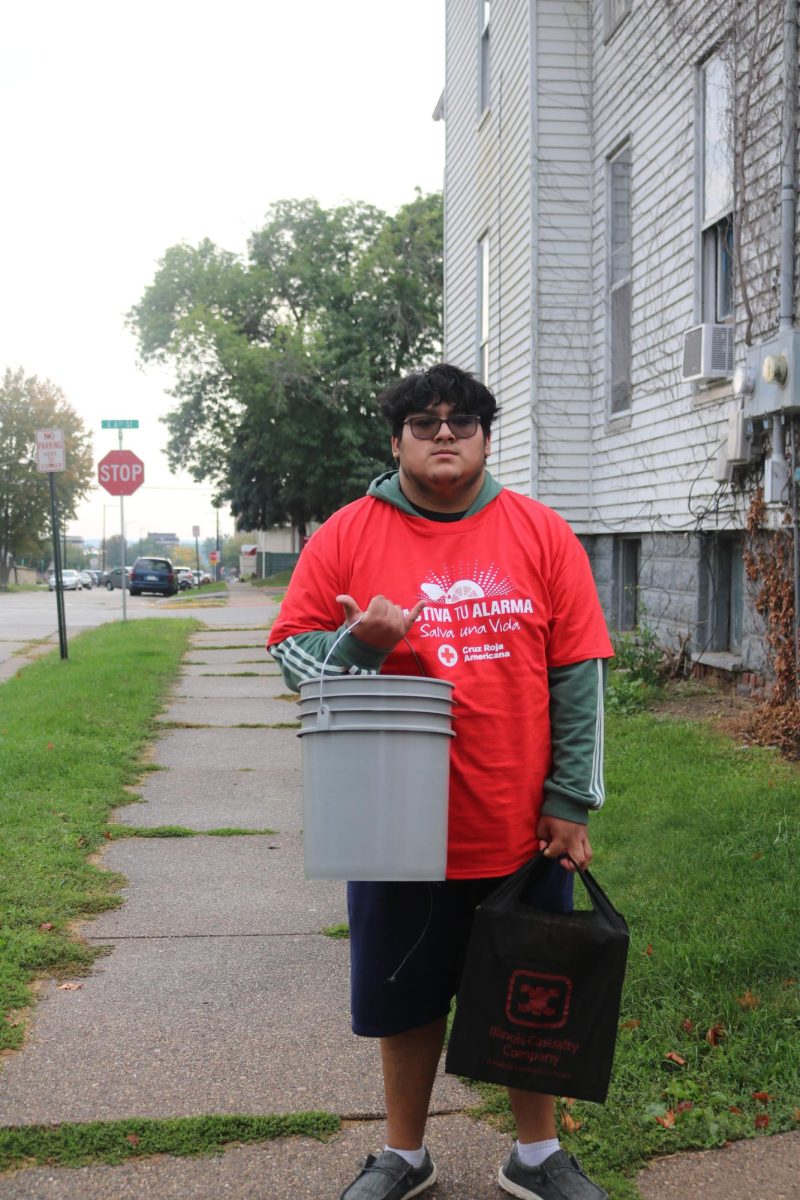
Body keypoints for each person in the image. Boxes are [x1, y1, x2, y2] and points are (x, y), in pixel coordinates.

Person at [268, 364, 614, 1200]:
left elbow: (577, 673)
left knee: (529, 989)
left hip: (515, 823)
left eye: (462, 420)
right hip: (392, 823)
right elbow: (290, 655)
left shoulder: (539, 532)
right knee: (406, 998)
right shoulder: (348, 533)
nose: (445, 433)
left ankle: (536, 1155)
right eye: (424, 422)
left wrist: (571, 800)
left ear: (487, 438)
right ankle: (403, 1155)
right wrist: (359, 645)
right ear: (397, 443)